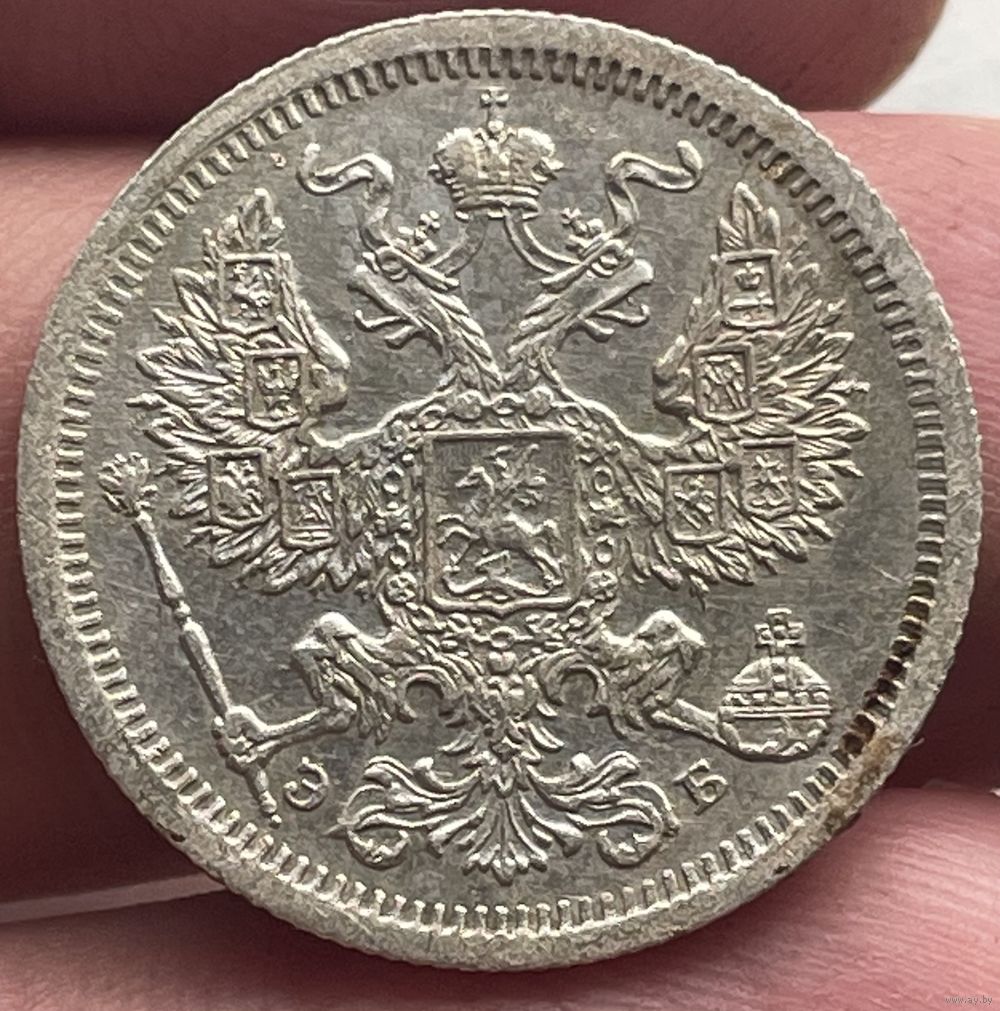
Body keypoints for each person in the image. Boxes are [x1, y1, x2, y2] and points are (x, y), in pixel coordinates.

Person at [1, 1, 997, 1006]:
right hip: (424, 670)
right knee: (344, 642)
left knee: (650, 641)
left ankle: (665, 724)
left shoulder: (561, 440)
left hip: (571, 673)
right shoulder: (418, 442)